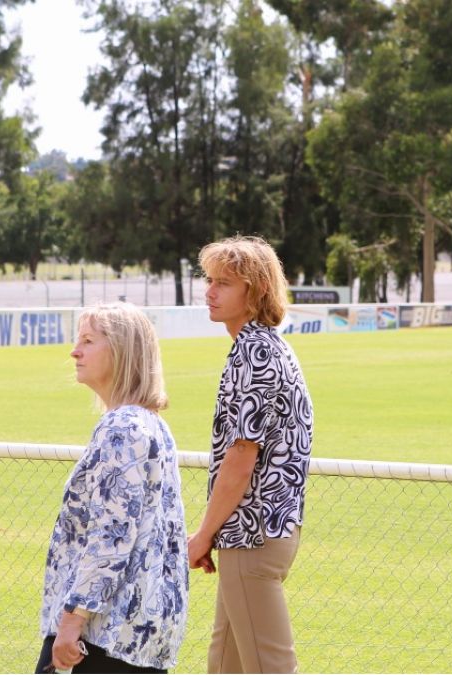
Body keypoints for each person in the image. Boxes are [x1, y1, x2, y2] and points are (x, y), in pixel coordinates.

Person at [37, 302, 188, 674]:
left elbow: (111, 535)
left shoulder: (123, 428)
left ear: (121, 351)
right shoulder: (151, 425)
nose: (75, 351)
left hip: (104, 634)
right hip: (141, 629)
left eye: (88, 341)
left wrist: (72, 620)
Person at [187, 236, 314, 674]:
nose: (210, 291)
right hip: (256, 533)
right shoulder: (264, 347)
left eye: (224, 283)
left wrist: (204, 534)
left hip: (253, 535)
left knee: (269, 668)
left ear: (255, 291)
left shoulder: (254, 352)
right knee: (226, 666)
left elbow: (241, 459)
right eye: (209, 280)